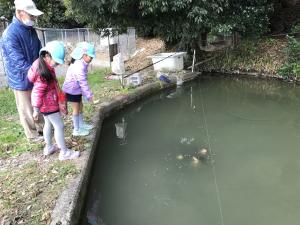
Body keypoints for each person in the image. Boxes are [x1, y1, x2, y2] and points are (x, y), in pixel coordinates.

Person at [28, 41, 80, 160]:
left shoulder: (43, 65)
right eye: (56, 62)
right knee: (59, 126)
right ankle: (64, 152)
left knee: (48, 124)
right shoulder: (42, 73)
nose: (56, 65)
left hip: (46, 104)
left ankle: (49, 147)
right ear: (47, 56)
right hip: (48, 104)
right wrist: (35, 109)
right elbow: (37, 91)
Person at [1, 0, 44, 142]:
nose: (34, 18)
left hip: (34, 73)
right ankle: (32, 135)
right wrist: (36, 73)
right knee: (26, 107)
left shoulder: (31, 30)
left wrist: (43, 64)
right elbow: (18, 61)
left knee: (37, 102)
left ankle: (41, 128)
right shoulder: (10, 34)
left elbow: (39, 50)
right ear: (20, 13)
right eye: (31, 15)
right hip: (20, 77)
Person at [62, 42, 95, 136]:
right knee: (76, 109)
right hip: (72, 90)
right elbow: (83, 82)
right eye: (91, 57)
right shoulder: (78, 66)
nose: (92, 59)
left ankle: (81, 125)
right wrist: (89, 95)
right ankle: (76, 130)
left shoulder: (82, 63)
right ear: (84, 55)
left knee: (81, 107)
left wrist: (85, 94)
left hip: (76, 89)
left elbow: (82, 82)